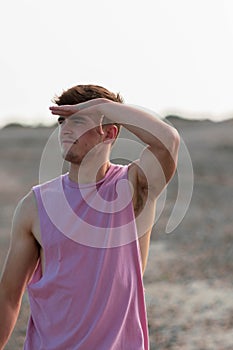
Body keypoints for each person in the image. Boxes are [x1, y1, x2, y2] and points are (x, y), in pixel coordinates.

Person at [0, 84, 180, 349]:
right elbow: (8, 296)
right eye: (63, 121)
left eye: (79, 120)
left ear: (110, 132)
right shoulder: (35, 205)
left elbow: (169, 141)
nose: (66, 129)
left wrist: (105, 108)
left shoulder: (132, 187)